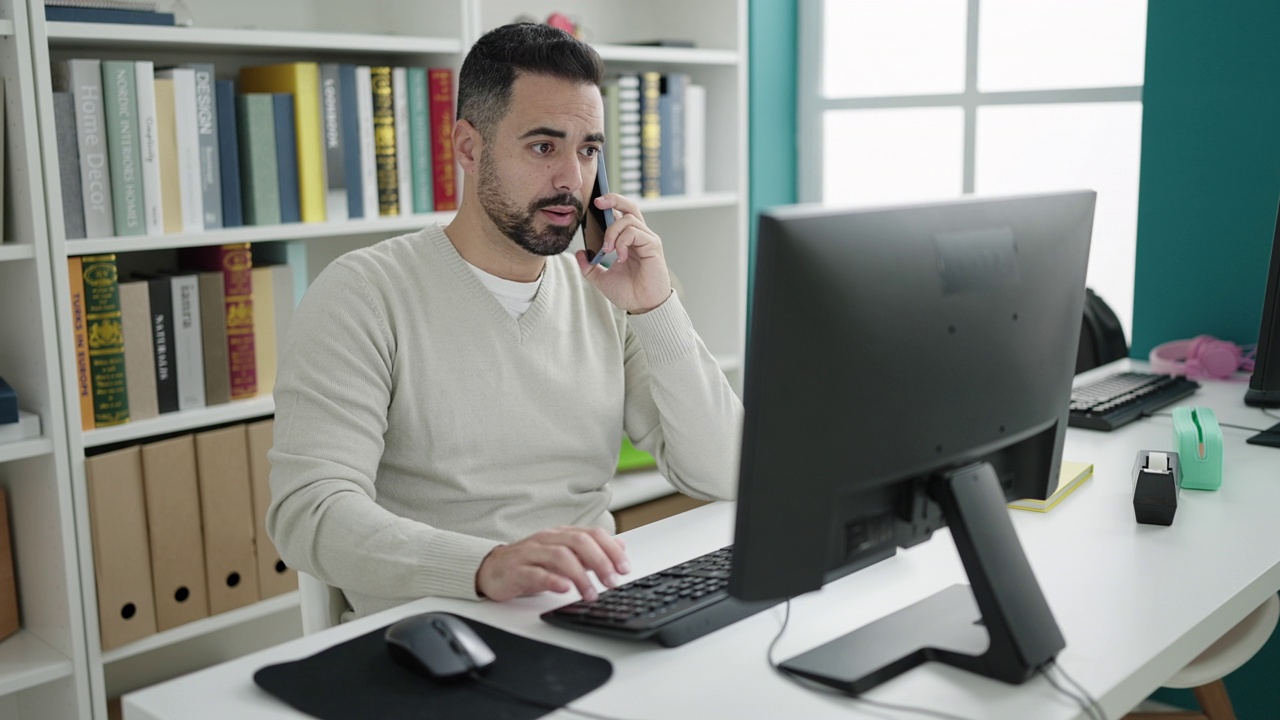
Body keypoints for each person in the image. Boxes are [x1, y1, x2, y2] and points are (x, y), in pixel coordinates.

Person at [266, 23, 743, 621]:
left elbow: (726, 471)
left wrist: (656, 306)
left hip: (591, 607)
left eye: (589, 149)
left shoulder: (605, 290)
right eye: (544, 147)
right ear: (469, 147)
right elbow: (308, 512)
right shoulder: (362, 294)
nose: (573, 178)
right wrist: (485, 567)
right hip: (436, 627)